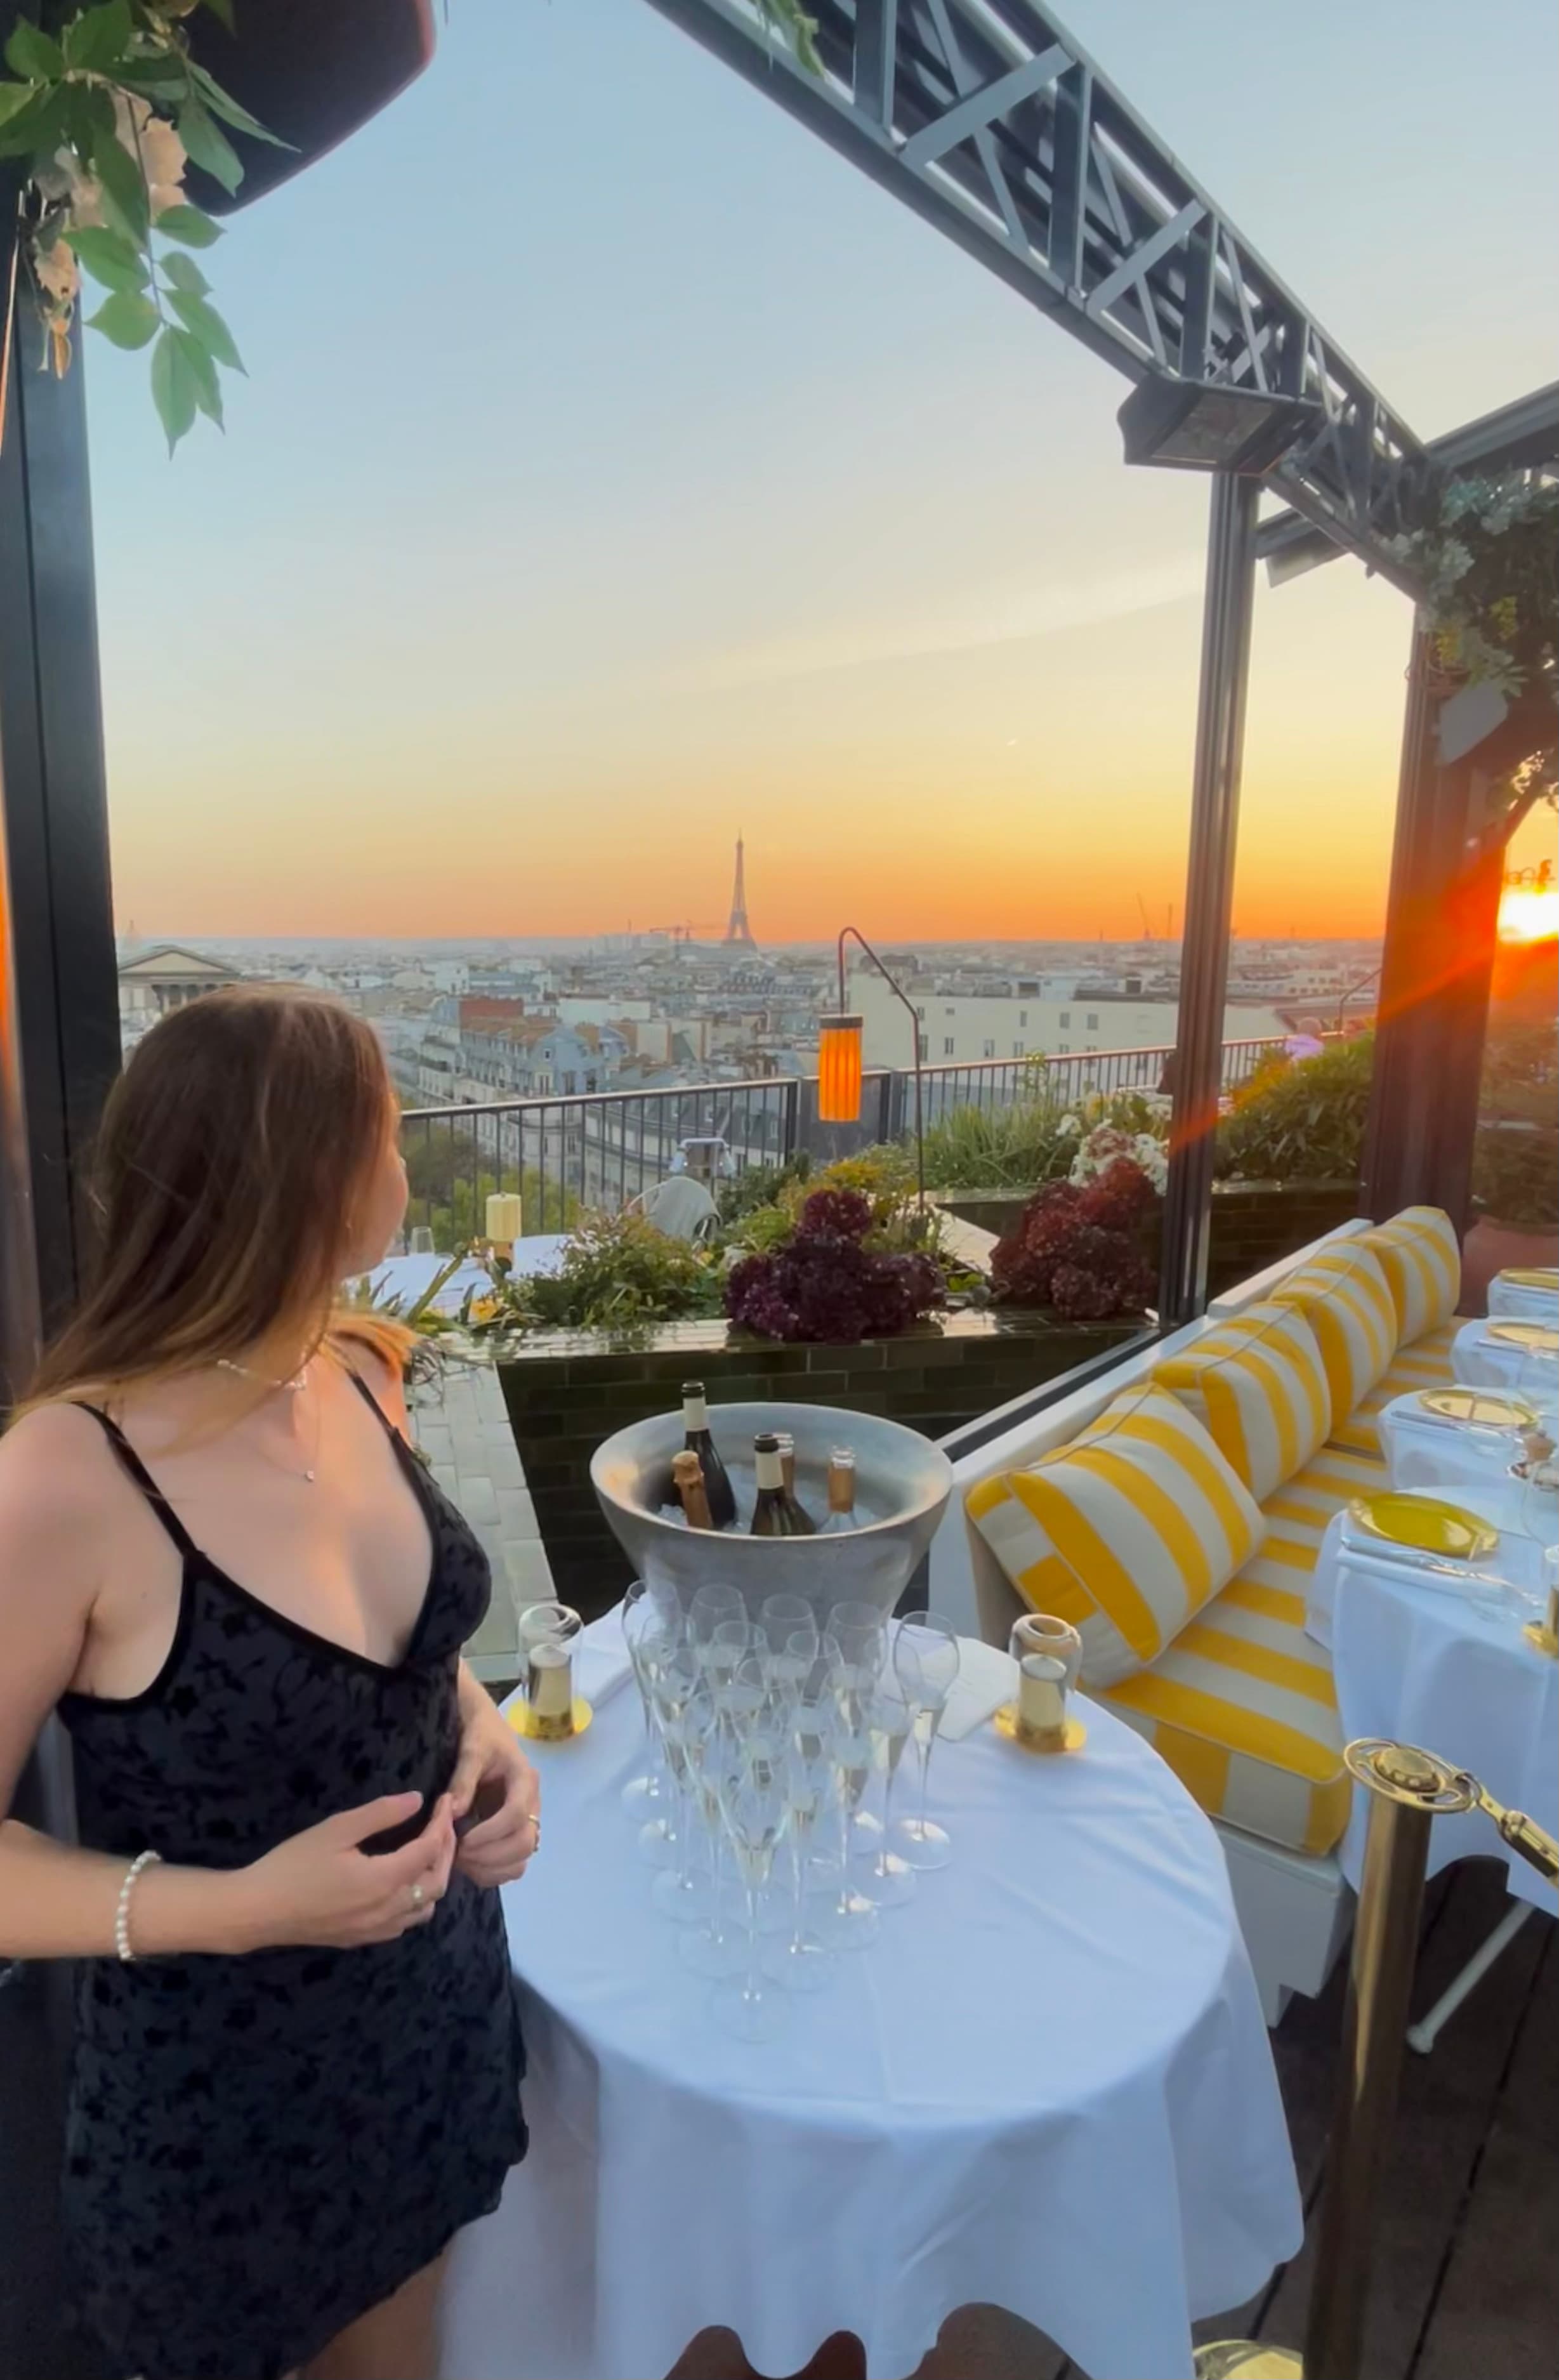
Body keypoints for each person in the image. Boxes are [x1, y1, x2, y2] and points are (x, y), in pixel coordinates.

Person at [0, 989, 540, 2380]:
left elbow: (405, 1659)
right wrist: (245, 1906)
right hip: (220, 2116)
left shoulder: (358, 1368)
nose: (406, 1167)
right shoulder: (67, 1476)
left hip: (428, 2034)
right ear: (319, 1177)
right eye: (391, 1138)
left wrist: (484, 1737)